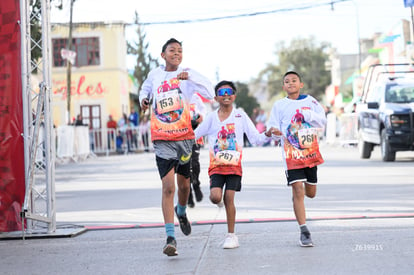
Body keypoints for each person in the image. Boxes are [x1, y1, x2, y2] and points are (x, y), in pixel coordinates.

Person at [139, 38, 214, 256]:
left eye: (180, 51)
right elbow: (145, 89)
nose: (177, 54)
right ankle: (170, 237)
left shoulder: (187, 74)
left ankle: (181, 211)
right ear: (163, 55)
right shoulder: (155, 74)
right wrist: (144, 99)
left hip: (184, 139)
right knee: (168, 187)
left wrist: (190, 76)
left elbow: (210, 92)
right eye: (172, 50)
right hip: (162, 138)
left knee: (183, 187)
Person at [194, 80, 269, 249]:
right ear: (216, 98)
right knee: (215, 197)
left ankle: (231, 236)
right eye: (222, 92)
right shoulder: (211, 118)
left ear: (234, 96)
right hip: (216, 166)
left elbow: (256, 138)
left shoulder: (240, 116)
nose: (226, 95)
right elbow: (195, 134)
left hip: (234, 165)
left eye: (229, 92)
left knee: (229, 198)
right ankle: (218, 201)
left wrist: (269, 134)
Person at [266, 71, 327, 247]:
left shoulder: (311, 101)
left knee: (311, 193)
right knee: (298, 189)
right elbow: (273, 126)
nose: (290, 83)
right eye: (287, 81)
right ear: (283, 86)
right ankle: (304, 230)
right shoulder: (279, 105)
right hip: (291, 154)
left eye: (294, 81)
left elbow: (322, 122)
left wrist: (308, 116)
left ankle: (298, 196)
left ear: (301, 84)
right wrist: (274, 132)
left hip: (310, 153)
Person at [187, 92, 207, 208]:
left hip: (195, 134)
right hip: (180, 135)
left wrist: (200, 117)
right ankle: (188, 193)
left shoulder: (195, 97)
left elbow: (203, 110)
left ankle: (196, 184)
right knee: (184, 166)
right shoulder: (175, 95)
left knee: (194, 163)